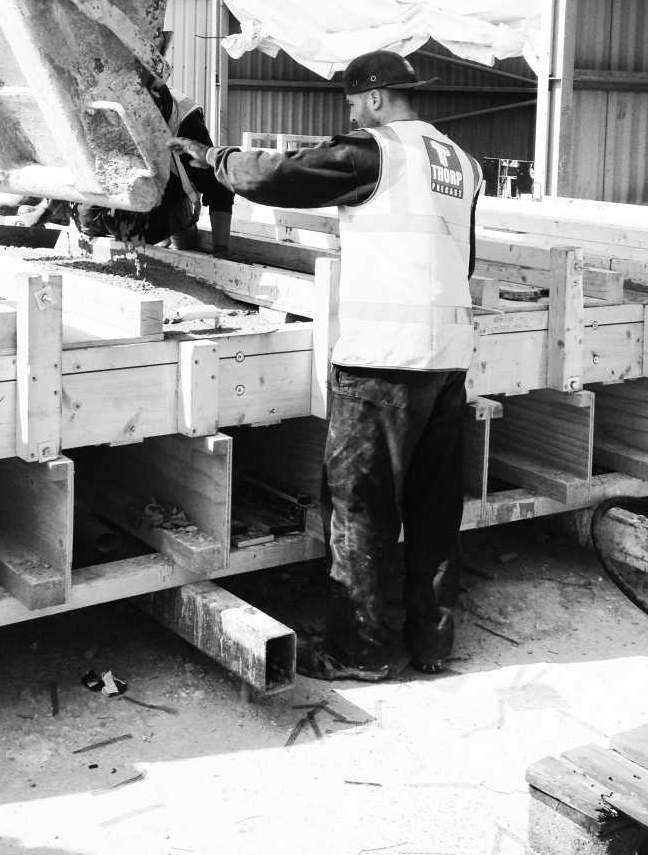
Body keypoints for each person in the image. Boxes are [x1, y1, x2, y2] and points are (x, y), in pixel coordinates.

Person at [171, 49, 482, 681]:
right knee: (432, 509)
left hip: (383, 362)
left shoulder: (376, 151)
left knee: (360, 511)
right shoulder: (461, 162)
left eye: (350, 100)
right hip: (447, 360)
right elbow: (463, 258)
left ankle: (360, 652)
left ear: (373, 99)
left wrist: (214, 158)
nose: (349, 111)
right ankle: (431, 643)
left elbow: (277, 176)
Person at [75, 76, 233, 255]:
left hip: (166, 185)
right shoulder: (100, 109)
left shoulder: (184, 119)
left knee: (138, 230)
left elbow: (217, 187)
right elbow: (76, 162)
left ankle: (182, 221)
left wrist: (221, 250)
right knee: (85, 219)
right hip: (123, 179)